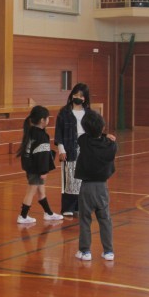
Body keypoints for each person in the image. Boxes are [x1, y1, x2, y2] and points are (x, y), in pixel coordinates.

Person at [73, 109, 117, 261]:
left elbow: (83, 137)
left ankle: (85, 251)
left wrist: (103, 134)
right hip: (102, 187)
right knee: (105, 219)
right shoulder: (111, 146)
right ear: (103, 127)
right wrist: (106, 136)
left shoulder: (84, 141)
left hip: (86, 187)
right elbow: (106, 140)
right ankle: (108, 251)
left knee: (85, 219)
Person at [16, 105, 64, 224]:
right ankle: (23, 216)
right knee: (31, 191)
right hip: (36, 169)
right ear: (42, 120)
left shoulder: (31, 132)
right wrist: (43, 171)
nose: (48, 120)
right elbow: (42, 156)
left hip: (31, 167)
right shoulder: (41, 136)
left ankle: (49, 213)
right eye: (47, 118)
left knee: (41, 191)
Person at [54, 83, 91, 216]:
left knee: (82, 179)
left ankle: (79, 207)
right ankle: (67, 208)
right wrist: (61, 149)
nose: (78, 98)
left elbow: (95, 130)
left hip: (85, 150)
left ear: (85, 98)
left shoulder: (89, 113)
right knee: (69, 179)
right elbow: (59, 133)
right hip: (69, 149)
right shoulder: (64, 112)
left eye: (81, 96)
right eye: (76, 94)